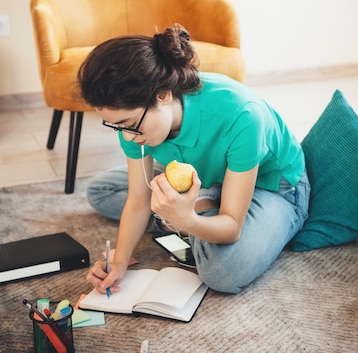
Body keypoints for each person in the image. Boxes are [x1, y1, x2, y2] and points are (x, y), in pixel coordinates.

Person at [78, 24, 310, 294]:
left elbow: (232, 227)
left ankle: (194, 213)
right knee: (101, 191)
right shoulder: (133, 124)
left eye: (128, 124)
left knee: (222, 272)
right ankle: (202, 205)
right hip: (210, 174)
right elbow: (139, 200)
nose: (127, 138)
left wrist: (185, 219)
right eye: (116, 126)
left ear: (163, 95)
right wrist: (118, 262)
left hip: (273, 185)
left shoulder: (242, 114)